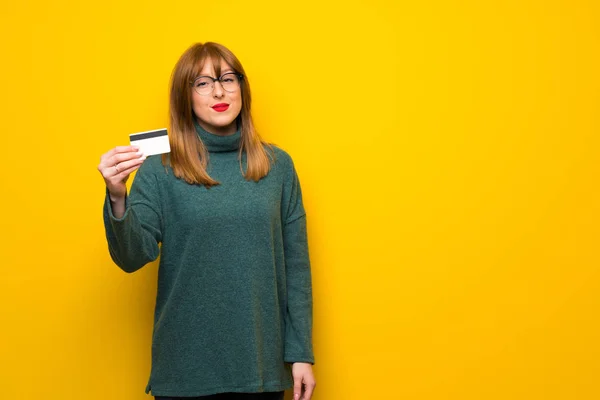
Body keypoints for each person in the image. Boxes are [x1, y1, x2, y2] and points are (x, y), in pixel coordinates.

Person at [97, 42, 316, 400]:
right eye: (202, 83)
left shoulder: (278, 167)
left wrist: (301, 355)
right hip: (186, 372)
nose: (218, 91)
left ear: (242, 88)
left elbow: (297, 271)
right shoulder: (160, 167)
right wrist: (118, 197)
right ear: (185, 96)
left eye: (228, 79)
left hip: (261, 369)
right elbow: (132, 256)